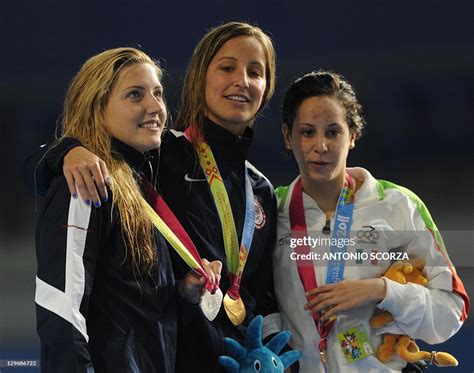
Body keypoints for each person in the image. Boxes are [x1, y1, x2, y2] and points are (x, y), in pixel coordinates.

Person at [25, 22, 281, 373]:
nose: (242, 80)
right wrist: (66, 150)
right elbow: (62, 309)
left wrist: (183, 293)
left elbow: (143, 300)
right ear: (199, 78)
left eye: (256, 71)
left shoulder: (259, 189)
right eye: (227, 67)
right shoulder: (152, 160)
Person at [34, 47, 221, 373]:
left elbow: (129, 315)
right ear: (97, 107)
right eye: (135, 95)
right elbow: (62, 312)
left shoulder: (141, 189)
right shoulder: (84, 185)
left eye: (158, 93)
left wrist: (181, 294)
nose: (155, 107)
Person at [273, 70, 470, 372]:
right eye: (307, 131)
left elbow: (452, 312)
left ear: (352, 136)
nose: (321, 145)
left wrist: (383, 291)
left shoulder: (397, 205)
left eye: (333, 132)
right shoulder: (272, 211)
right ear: (288, 136)